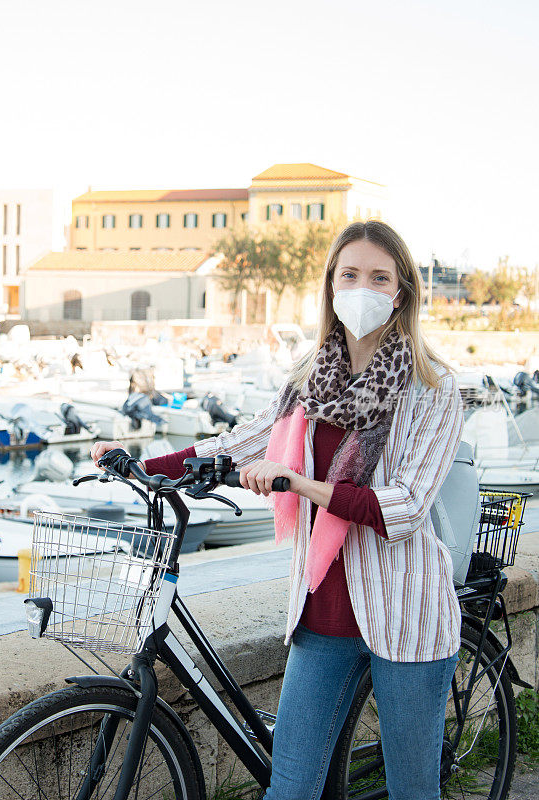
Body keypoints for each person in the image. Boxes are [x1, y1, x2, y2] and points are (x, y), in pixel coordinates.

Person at [91, 220, 463, 800]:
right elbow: (241, 443)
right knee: (289, 790)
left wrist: (299, 483)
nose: (362, 288)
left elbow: (407, 507)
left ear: (402, 291)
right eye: (350, 275)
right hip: (322, 615)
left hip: (407, 612)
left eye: (378, 277)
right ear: (331, 287)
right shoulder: (308, 380)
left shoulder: (432, 387)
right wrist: (139, 462)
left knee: (413, 790)